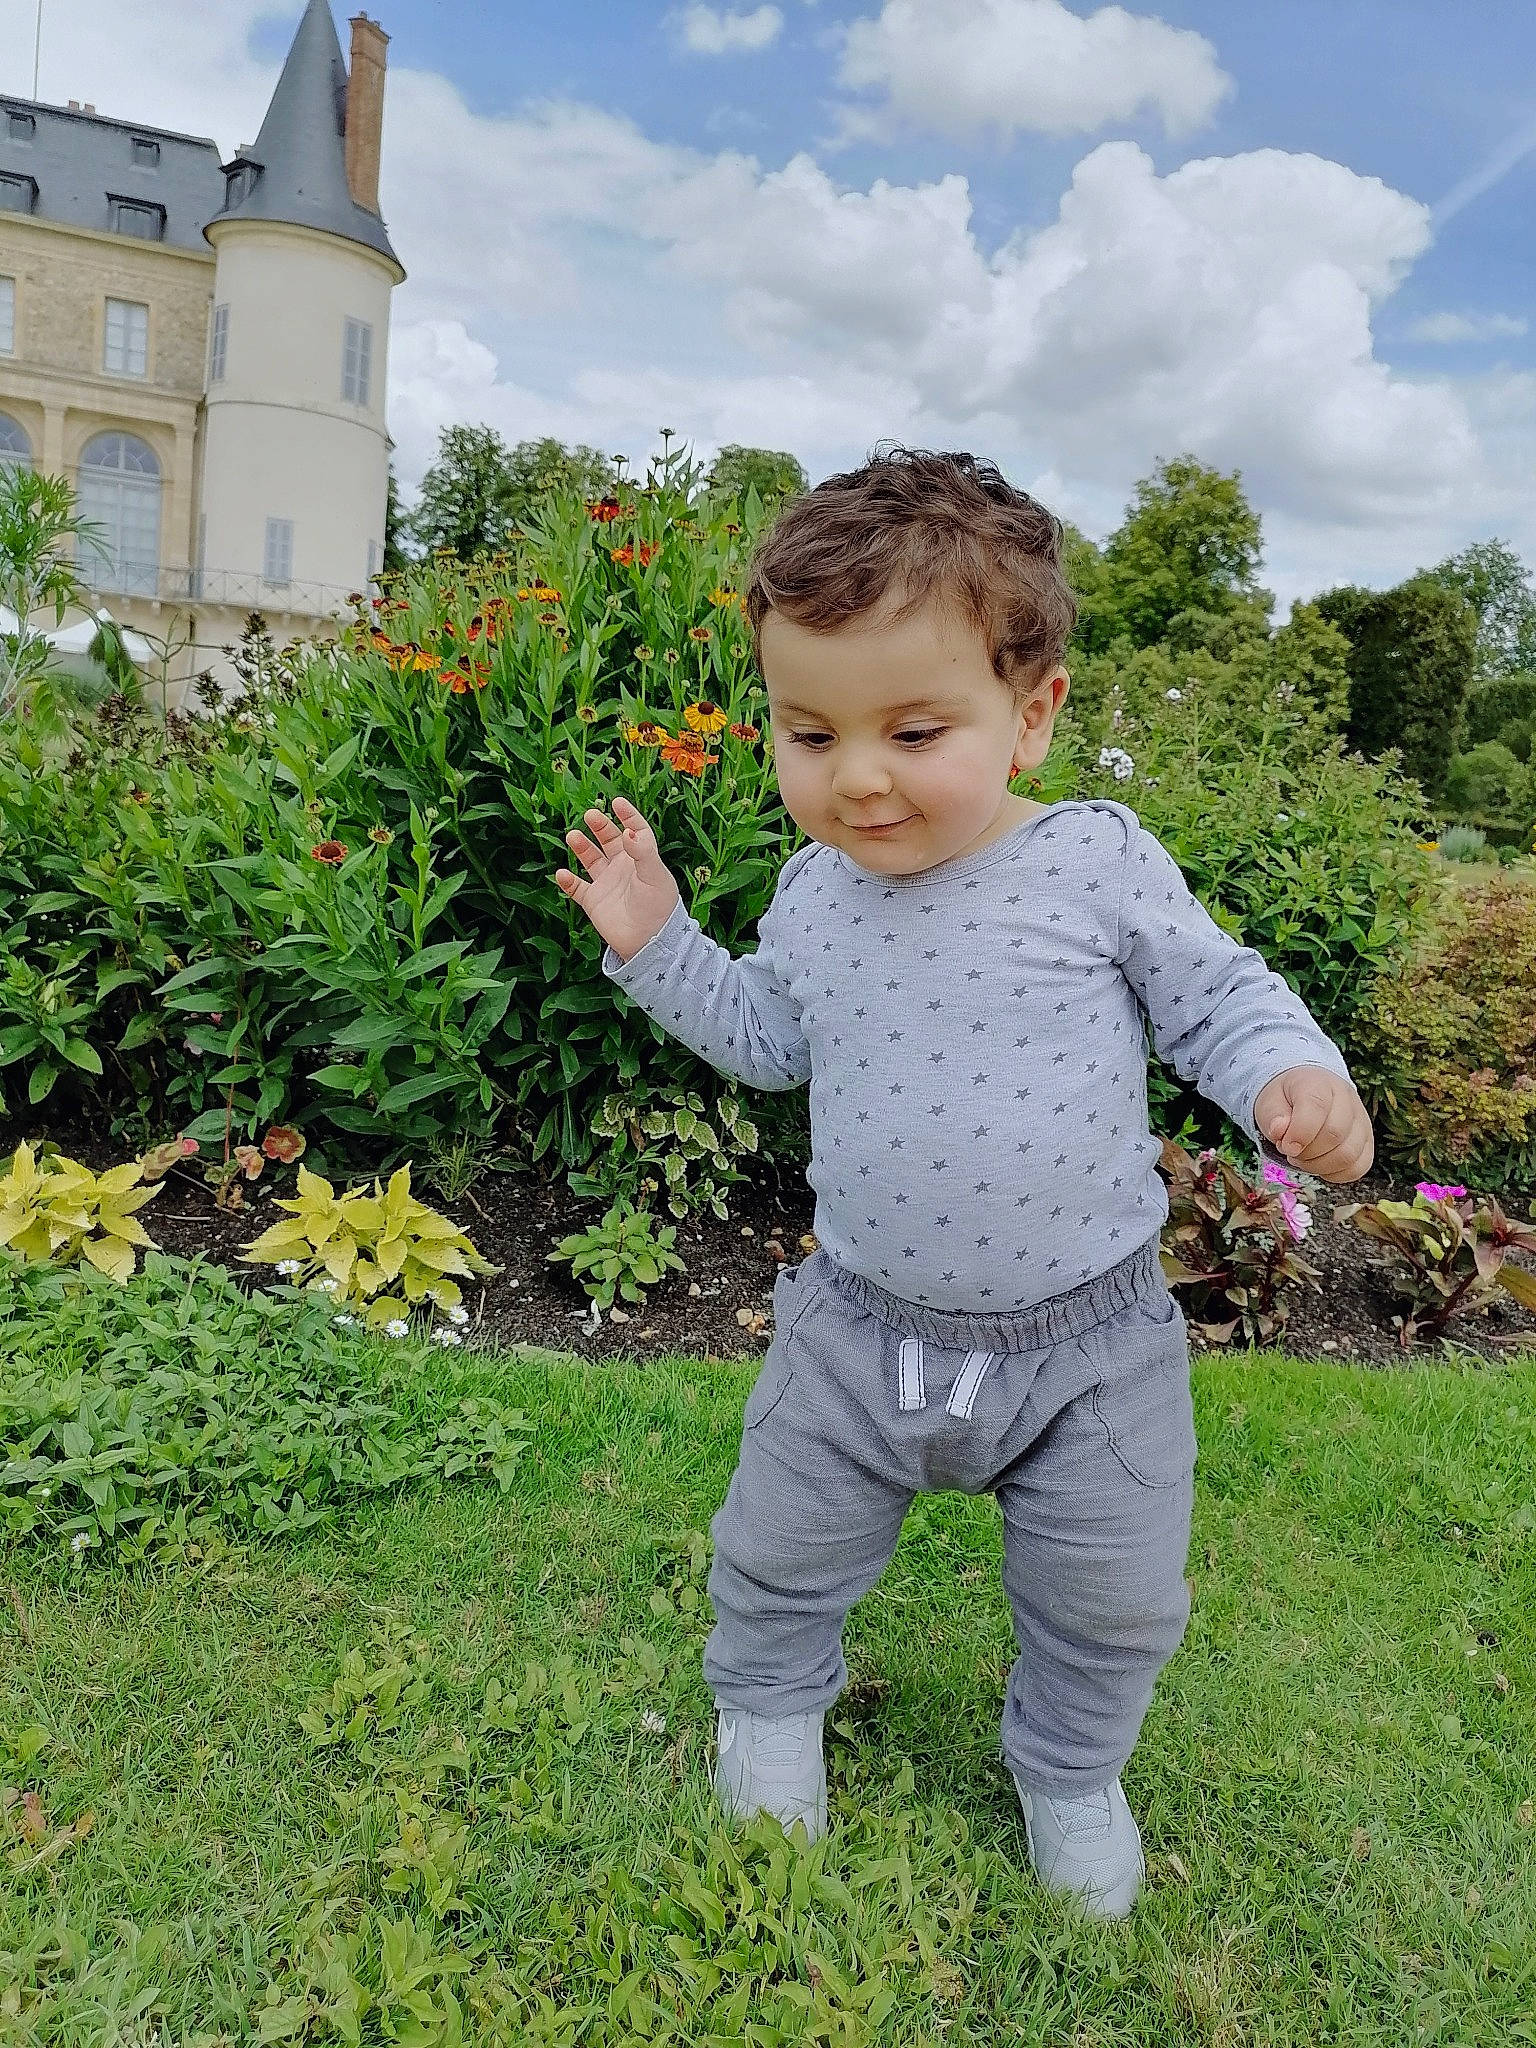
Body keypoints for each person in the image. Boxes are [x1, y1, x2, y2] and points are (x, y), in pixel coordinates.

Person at [552, 446, 1373, 1919]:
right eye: (809, 734)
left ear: (1032, 714)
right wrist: (659, 944)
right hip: (858, 1329)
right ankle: (772, 1707)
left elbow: (1215, 997)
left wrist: (1291, 1081)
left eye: (913, 727)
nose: (856, 776)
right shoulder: (815, 892)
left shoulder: (1094, 864)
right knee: (779, 1549)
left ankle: (1068, 1769)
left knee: (1111, 1597)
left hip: (1091, 1345)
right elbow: (767, 1041)